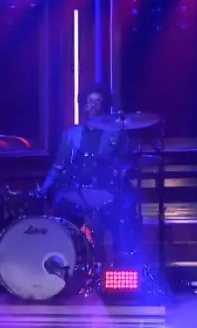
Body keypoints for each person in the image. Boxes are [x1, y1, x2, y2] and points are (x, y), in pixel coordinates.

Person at [40, 84, 136, 262]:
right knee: (59, 208)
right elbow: (57, 167)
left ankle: (119, 258)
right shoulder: (70, 135)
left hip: (105, 189)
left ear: (104, 106)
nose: (92, 104)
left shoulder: (115, 133)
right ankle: (65, 258)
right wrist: (44, 189)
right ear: (84, 105)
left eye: (97, 101)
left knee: (122, 211)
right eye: (90, 100)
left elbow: (124, 162)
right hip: (74, 190)